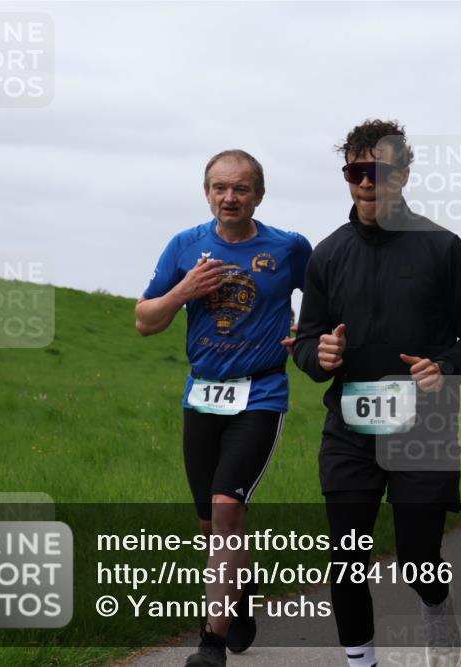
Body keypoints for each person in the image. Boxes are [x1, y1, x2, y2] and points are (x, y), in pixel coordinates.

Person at [291, 120, 461, 667]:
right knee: (346, 560)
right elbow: (307, 343)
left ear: (403, 175)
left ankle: (437, 606)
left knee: (416, 559)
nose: (366, 182)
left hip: (423, 430)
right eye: (355, 171)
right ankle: (362, 662)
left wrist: (446, 367)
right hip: (351, 430)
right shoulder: (327, 255)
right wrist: (319, 356)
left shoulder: (443, 248)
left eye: (378, 171)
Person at [136, 149, 312, 667]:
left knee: (227, 507)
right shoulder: (185, 246)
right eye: (220, 187)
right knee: (210, 526)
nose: (229, 197)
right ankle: (241, 593)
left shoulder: (288, 248)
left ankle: (210, 643)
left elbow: (327, 299)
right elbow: (145, 321)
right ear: (207, 192)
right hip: (202, 394)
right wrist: (183, 291)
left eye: (240, 188)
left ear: (259, 195)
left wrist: (310, 332)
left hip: (260, 393)